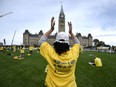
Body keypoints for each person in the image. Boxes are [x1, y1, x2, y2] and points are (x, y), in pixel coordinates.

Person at [38, 17, 80, 87]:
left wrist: (51, 29)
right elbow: (77, 43)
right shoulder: (73, 54)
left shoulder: (51, 53)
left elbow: (41, 42)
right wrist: (71, 32)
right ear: (67, 44)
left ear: (56, 43)